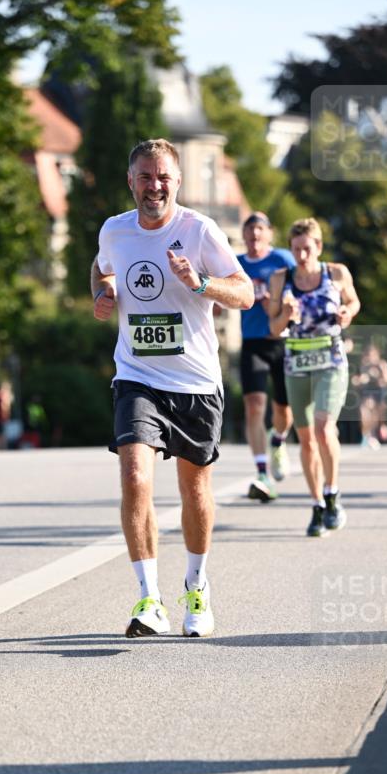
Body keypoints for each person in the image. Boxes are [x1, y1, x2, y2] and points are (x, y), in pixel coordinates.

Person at [92, 138, 253, 638]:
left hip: (196, 382)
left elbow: (245, 292)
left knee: (194, 486)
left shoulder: (200, 230)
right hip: (137, 375)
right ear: (131, 181)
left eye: (163, 177)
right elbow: (101, 269)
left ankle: (197, 588)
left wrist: (201, 283)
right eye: (145, 176)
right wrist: (103, 294)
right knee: (135, 474)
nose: (154, 185)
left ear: (177, 182)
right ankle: (148, 598)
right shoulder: (115, 231)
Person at [268, 217, 360, 537]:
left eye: (307, 249)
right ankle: (317, 504)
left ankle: (333, 494)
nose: (302, 256)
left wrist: (347, 313)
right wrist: (286, 315)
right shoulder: (281, 279)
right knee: (305, 439)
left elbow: (353, 301)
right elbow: (273, 328)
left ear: (318, 247)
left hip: (330, 360)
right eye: (296, 250)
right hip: (296, 362)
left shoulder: (336, 273)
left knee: (323, 428)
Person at [236, 212, 296, 502]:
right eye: (250, 230)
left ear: (270, 234)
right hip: (252, 342)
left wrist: (281, 301)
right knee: (254, 405)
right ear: (244, 235)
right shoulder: (237, 264)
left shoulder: (283, 259)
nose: (255, 235)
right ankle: (261, 472)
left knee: (285, 409)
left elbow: (303, 288)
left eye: (260, 230)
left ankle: (278, 441)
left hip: (283, 342)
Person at [352, 343, 387, 449]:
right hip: (366, 393)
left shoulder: (381, 364)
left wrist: (378, 376)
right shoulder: (362, 366)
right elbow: (354, 381)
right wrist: (361, 380)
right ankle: (366, 436)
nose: (370, 357)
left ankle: (376, 432)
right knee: (364, 411)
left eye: (372, 354)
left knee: (376, 415)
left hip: (379, 393)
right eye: (368, 354)